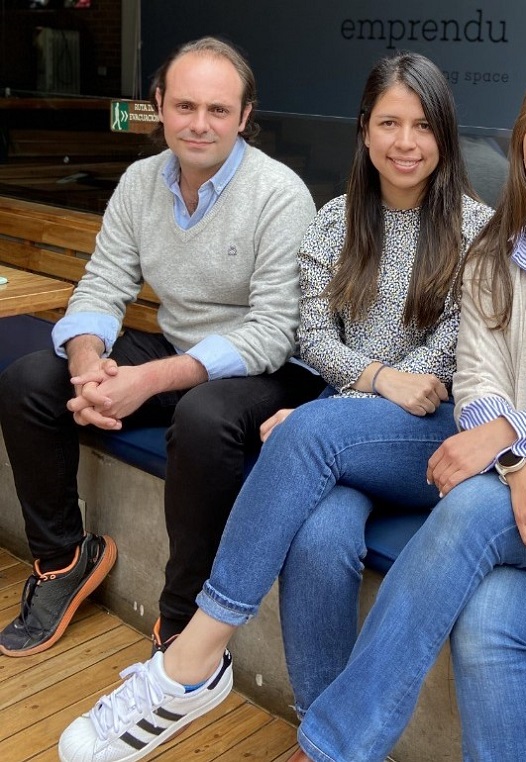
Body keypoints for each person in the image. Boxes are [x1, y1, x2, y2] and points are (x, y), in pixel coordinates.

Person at [57, 50, 493, 762]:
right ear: (364, 129)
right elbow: (312, 337)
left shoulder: (481, 230)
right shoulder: (335, 221)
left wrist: (332, 419)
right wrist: (366, 390)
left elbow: (450, 358)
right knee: (320, 539)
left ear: (444, 133)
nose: (404, 141)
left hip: (438, 438)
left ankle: (191, 662)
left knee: (306, 437)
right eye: (388, 121)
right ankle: (329, 741)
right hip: (349, 424)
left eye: (421, 124)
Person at [0, 37, 318, 658]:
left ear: (246, 116)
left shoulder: (279, 194)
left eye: (219, 111)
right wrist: (90, 367)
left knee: (202, 417)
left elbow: (276, 330)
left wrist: (147, 380)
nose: (200, 124)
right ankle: (64, 561)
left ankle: (181, 620)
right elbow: (103, 284)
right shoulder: (142, 181)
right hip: (179, 347)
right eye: (186, 106)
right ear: (159, 105)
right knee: (30, 380)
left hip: (268, 369)